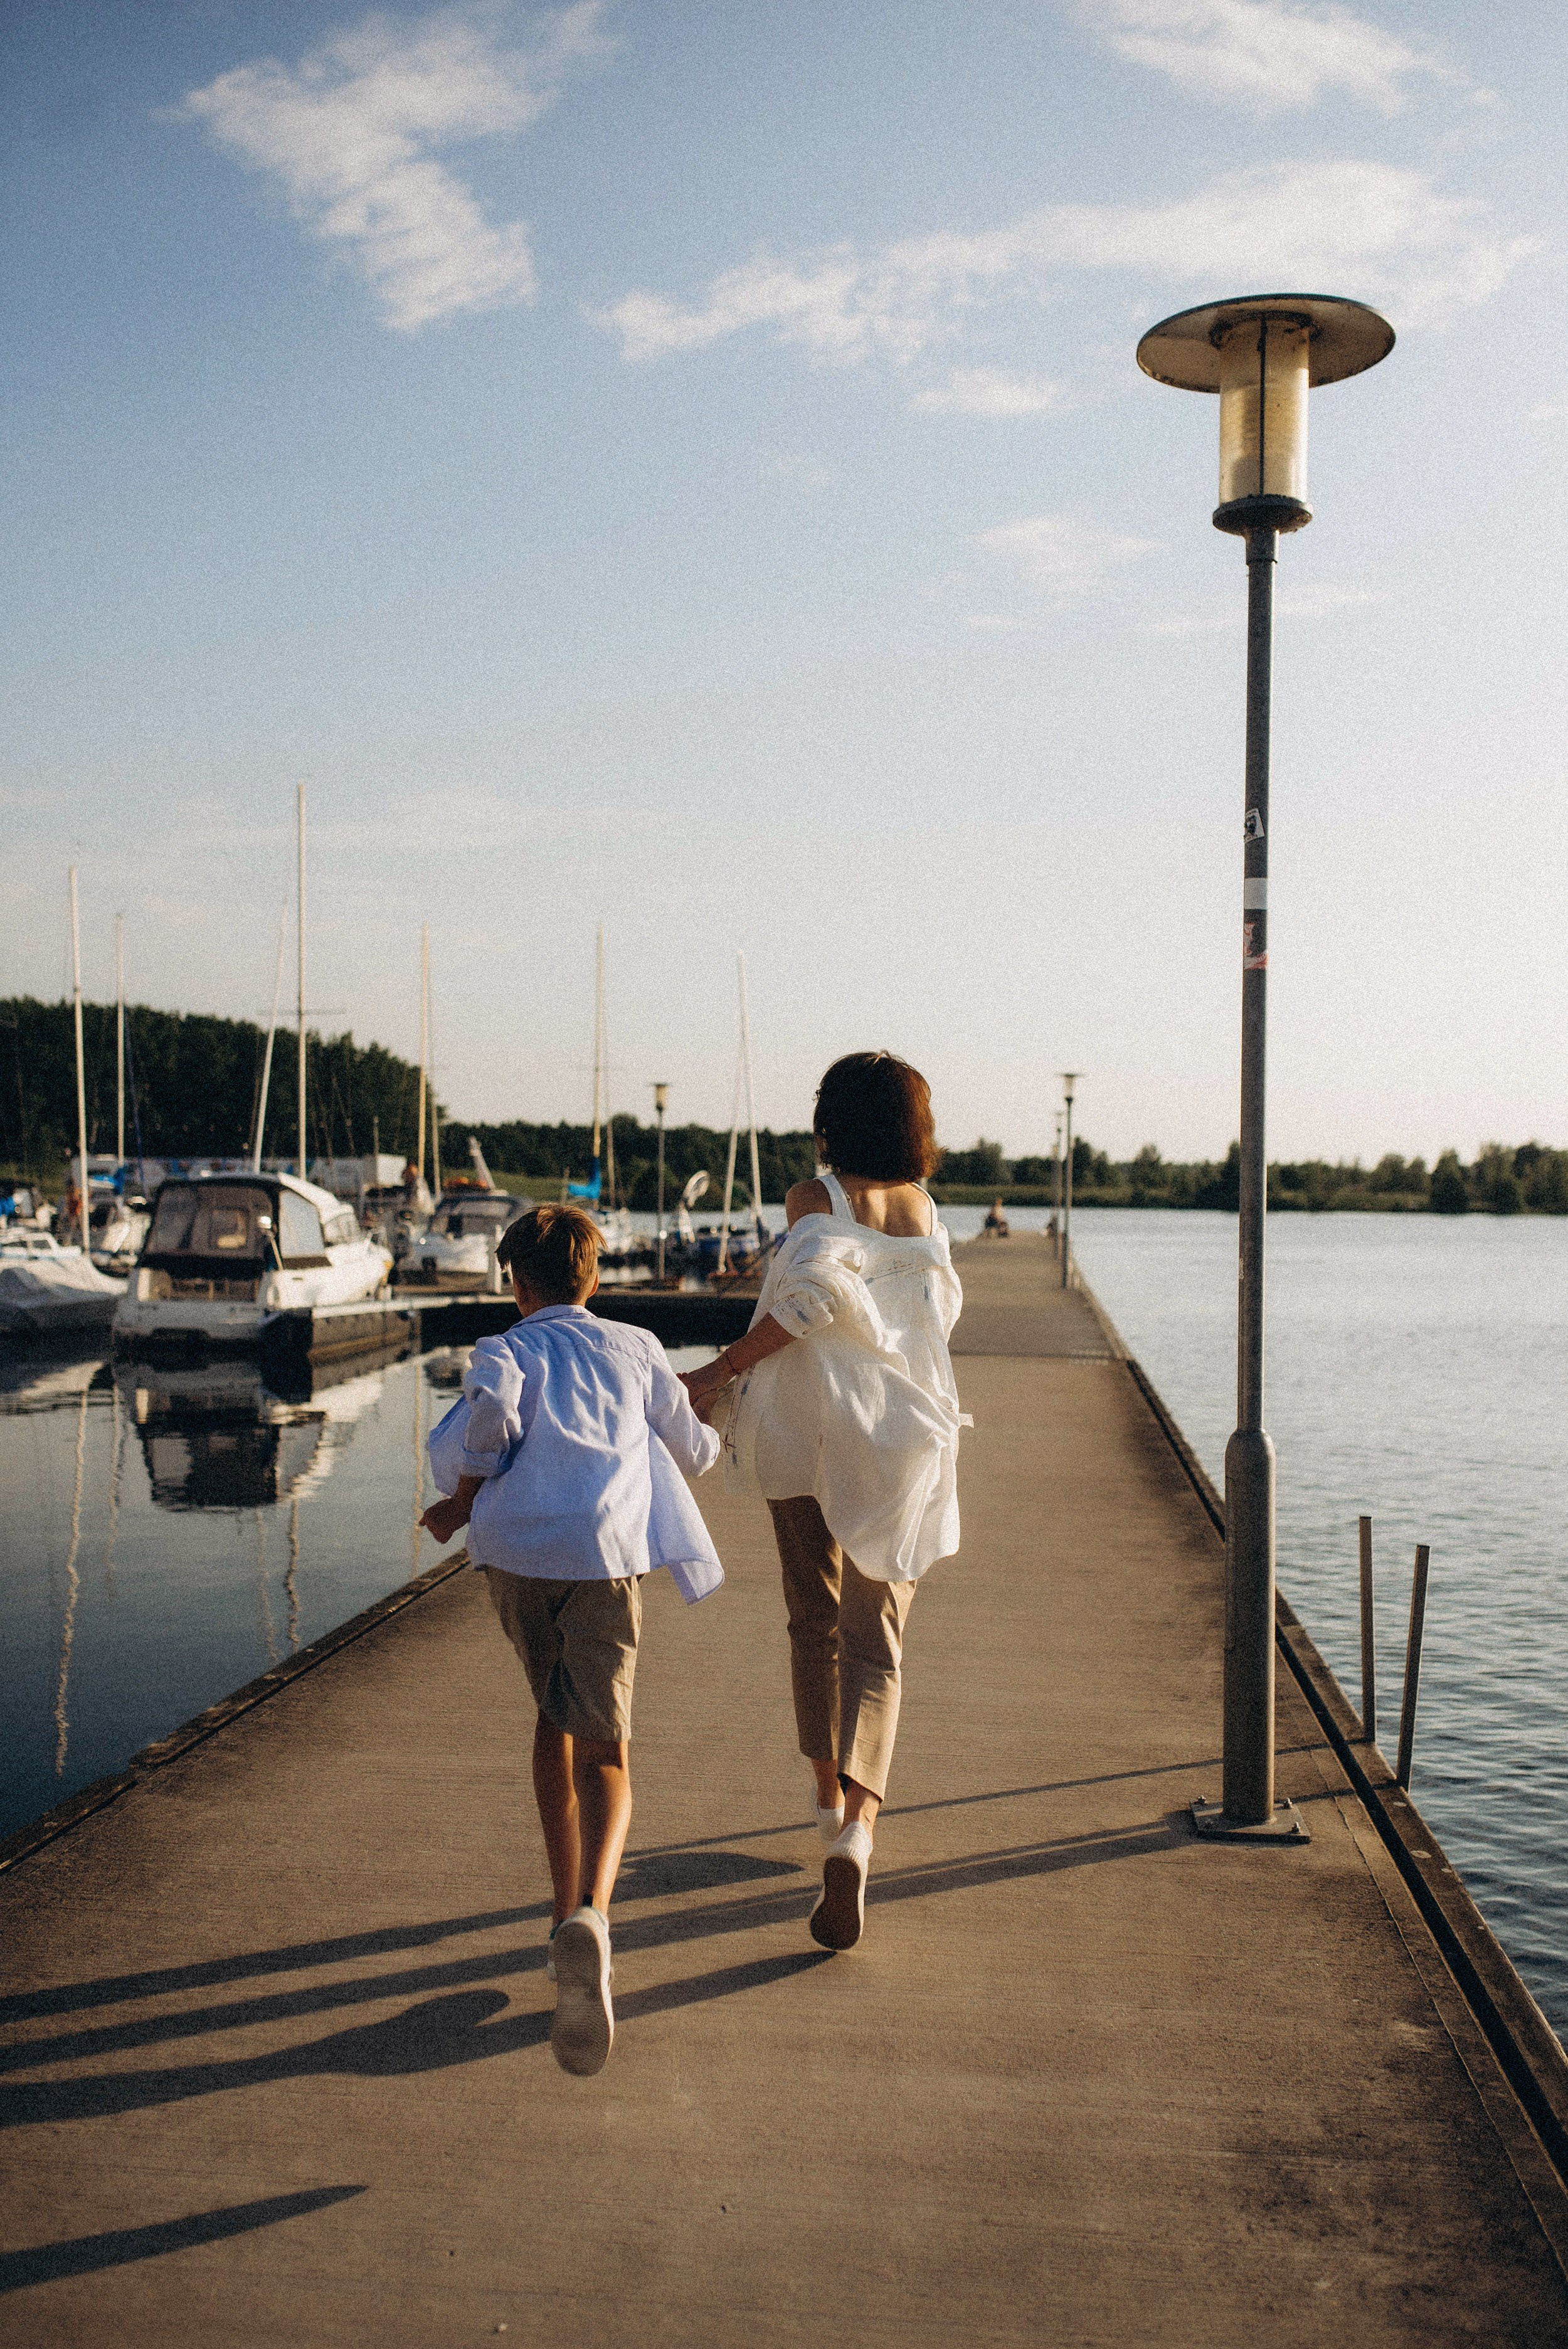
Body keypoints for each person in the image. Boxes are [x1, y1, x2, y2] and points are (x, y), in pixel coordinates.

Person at [420, 1203, 723, 2077]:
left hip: (517, 1554)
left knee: (552, 1713)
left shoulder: (506, 1349)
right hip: (603, 1556)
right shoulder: (637, 1346)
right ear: (593, 1277)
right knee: (607, 1748)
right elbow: (695, 1453)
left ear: (517, 1284)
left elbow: (487, 1428)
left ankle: (561, 1919)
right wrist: (714, 1414)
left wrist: (458, 1503)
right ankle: (592, 1910)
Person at [682, 1052, 967, 1953]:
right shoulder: (925, 1209)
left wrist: (718, 1370)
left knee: (813, 1620)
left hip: (808, 1435)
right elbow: (929, 1319)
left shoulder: (816, 1197)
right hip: (900, 1438)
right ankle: (858, 1830)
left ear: (832, 1119)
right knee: (877, 1644)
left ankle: (824, 1799)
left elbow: (810, 1299)